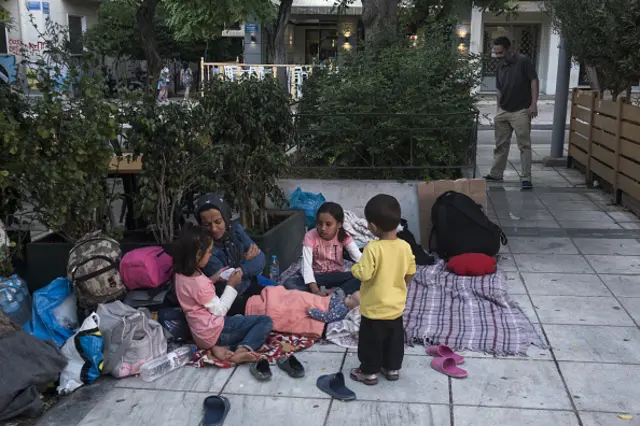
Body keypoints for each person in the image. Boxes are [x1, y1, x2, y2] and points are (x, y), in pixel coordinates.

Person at [173, 225, 273, 364]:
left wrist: (215, 278)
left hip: (200, 334)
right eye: (208, 252)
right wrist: (232, 284)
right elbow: (220, 310)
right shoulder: (200, 284)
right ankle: (242, 350)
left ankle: (218, 348)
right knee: (265, 321)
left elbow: (196, 294)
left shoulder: (181, 275)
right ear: (197, 255)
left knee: (240, 320)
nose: (210, 255)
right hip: (214, 332)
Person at [349, 194, 416, 385]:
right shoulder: (405, 246)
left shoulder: (372, 248)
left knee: (371, 342)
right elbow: (411, 271)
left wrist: (354, 268)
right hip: (395, 308)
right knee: (394, 341)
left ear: (373, 226)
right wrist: (400, 284)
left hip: (373, 309)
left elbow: (364, 274)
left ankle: (369, 372)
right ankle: (392, 368)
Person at [194, 193, 266, 316]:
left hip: (248, 286)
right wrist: (246, 262)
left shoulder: (235, 229)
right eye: (207, 224)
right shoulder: (205, 249)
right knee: (272, 309)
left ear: (226, 218)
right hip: (229, 301)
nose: (214, 229)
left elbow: (261, 259)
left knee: (282, 294)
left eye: (218, 222)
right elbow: (231, 286)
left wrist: (241, 271)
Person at [484, 36, 539, 190]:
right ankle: (496, 174)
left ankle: (526, 178)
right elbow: (499, 89)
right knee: (500, 145)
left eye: (500, 52)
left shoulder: (523, 61)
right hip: (504, 110)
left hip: (521, 110)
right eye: (495, 53)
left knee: (524, 145)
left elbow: (534, 80)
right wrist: (498, 110)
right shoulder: (500, 66)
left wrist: (534, 104)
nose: (498, 56)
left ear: (509, 49)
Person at [283, 202, 362, 296]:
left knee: (361, 277)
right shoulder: (310, 236)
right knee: (289, 283)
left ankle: (336, 293)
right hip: (317, 277)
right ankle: (337, 292)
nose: (323, 228)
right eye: (320, 223)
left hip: (336, 276)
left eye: (328, 224)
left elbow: (360, 259)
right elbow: (306, 266)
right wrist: (315, 290)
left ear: (339, 224)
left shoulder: (344, 237)